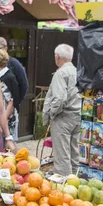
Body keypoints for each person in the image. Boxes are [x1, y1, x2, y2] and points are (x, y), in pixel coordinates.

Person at [43, 44, 81, 176]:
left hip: (63, 117)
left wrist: (51, 114)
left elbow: (59, 99)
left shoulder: (60, 73)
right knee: (74, 152)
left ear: (57, 57)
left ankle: (63, 185)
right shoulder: (77, 71)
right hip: (77, 115)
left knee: (62, 154)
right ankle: (75, 180)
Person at [0, 37, 28, 104]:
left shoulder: (14, 63)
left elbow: (24, 84)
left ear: (6, 49)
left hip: (9, 105)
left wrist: (16, 103)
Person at [0, 49, 20, 140]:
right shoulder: (0, 76)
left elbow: (11, 103)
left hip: (7, 119)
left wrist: (1, 122)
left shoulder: (6, 78)